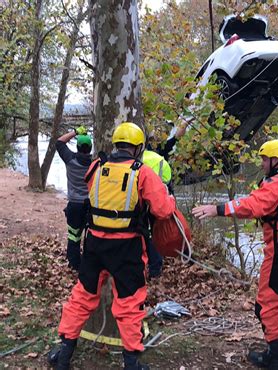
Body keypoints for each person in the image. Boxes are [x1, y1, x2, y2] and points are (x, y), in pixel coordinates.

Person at [48, 122, 176, 370]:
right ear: (138, 148)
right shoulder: (143, 172)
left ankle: (64, 352)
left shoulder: (97, 166)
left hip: (95, 244)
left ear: (116, 144)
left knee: (82, 296)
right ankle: (131, 362)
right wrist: (169, 198)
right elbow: (161, 210)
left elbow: (90, 189)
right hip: (127, 247)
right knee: (129, 303)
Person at [192, 140, 278, 369]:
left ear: (274, 160)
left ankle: (275, 358)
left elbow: (253, 206)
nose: (262, 163)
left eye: (265, 159)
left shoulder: (276, 185)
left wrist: (218, 209)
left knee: (266, 305)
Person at [56, 126, 92, 271]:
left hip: (74, 205)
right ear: (90, 148)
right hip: (91, 206)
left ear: (77, 147)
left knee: (73, 236)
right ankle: (89, 265)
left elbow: (59, 142)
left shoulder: (70, 159)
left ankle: (75, 264)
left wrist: (75, 132)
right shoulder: (95, 164)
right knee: (90, 237)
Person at [142, 149, 173, 277]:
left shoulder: (139, 159)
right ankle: (156, 268)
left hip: (143, 200)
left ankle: (150, 266)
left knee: (145, 234)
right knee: (155, 235)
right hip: (159, 198)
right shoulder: (159, 158)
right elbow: (168, 181)